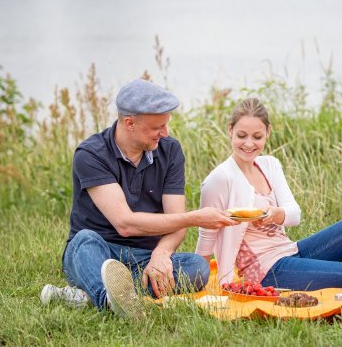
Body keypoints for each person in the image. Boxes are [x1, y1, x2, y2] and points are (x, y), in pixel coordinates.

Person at [40, 79, 238, 317]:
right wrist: (195, 217)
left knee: (197, 268)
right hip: (99, 250)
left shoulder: (170, 150)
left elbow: (176, 224)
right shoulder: (90, 154)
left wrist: (161, 254)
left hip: (143, 257)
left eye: (166, 125)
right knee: (83, 241)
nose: (164, 133)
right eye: (157, 127)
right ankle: (107, 300)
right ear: (130, 123)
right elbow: (125, 224)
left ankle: (93, 295)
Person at [195, 98, 342, 291]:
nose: (249, 144)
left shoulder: (269, 165)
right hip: (268, 273)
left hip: (291, 252)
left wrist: (276, 213)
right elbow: (206, 237)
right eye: (241, 135)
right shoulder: (220, 179)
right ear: (230, 130)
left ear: (268, 132)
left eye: (257, 136)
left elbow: (294, 214)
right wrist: (198, 285)